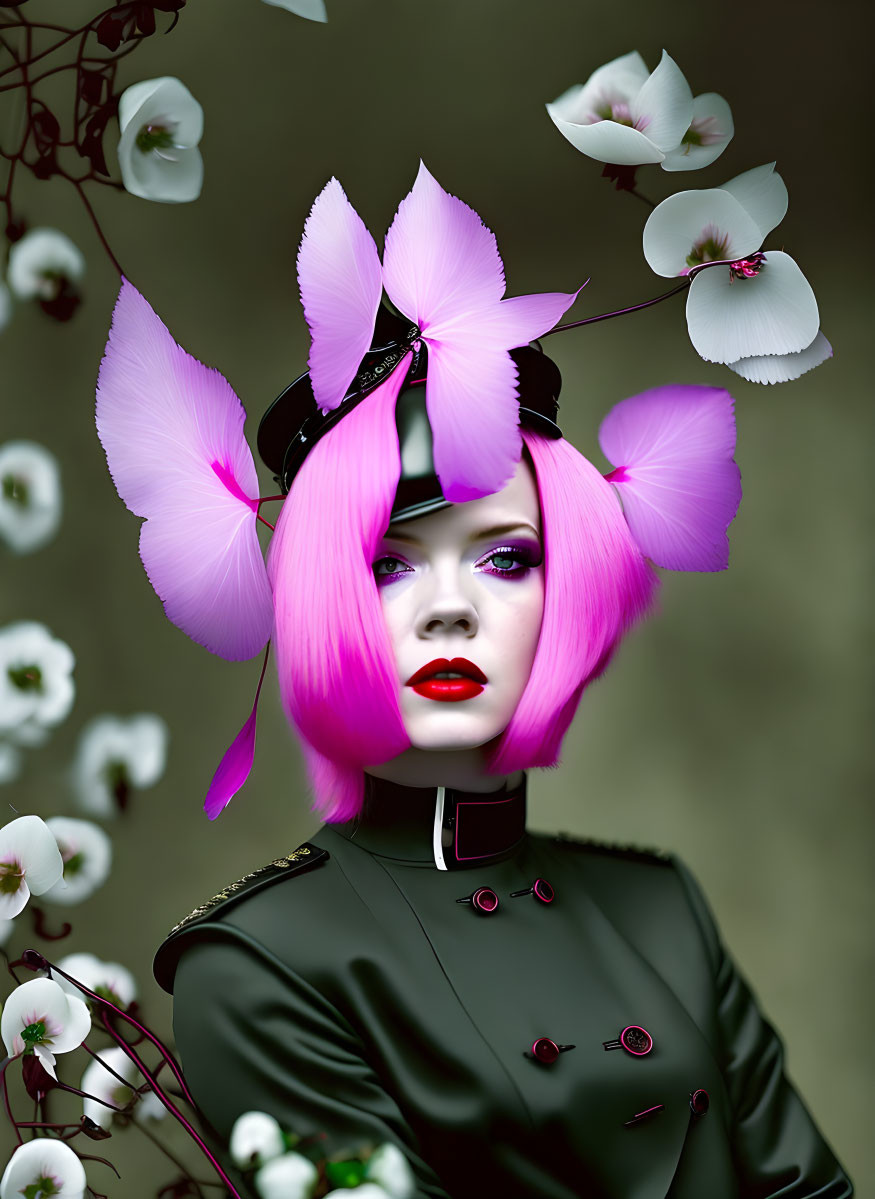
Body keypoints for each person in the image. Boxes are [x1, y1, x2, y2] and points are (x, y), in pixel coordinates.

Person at [98, 166, 853, 1197]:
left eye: (504, 558)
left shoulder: (658, 907)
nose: (448, 607)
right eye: (389, 560)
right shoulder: (257, 962)